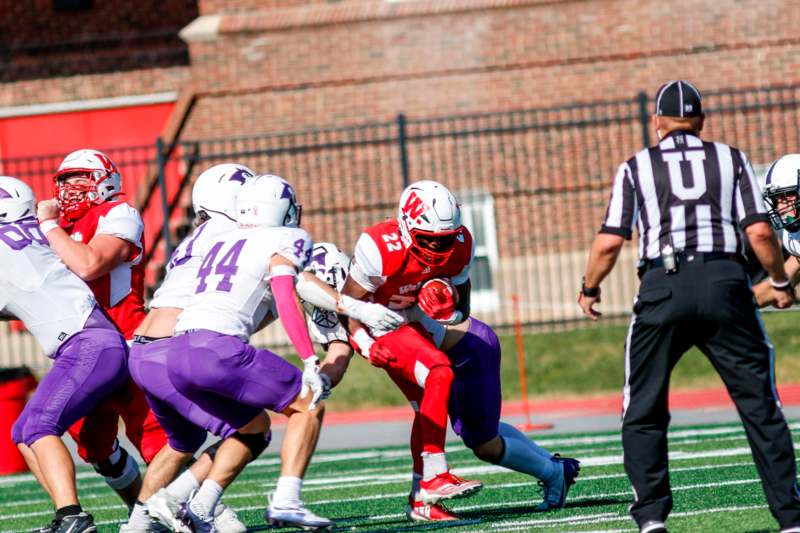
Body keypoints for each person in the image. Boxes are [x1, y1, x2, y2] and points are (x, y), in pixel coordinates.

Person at [578, 80, 800, 533]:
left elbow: (609, 242)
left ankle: (652, 518)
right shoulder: (731, 159)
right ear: (700, 121)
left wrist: (590, 287)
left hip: (662, 284)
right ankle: (791, 518)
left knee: (642, 408)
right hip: (724, 281)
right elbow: (759, 233)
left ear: (656, 122)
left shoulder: (636, 167)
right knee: (760, 406)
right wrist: (779, 282)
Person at [299, 244, 580, 521]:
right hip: (442, 355)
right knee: (466, 427)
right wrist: (318, 382)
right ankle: (551, 467)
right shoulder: (331, 307)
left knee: (483, 443)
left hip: (469, 350)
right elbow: (339, 353)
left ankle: (552, 472)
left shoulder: (369, 291)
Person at [121, 163, 259, 533]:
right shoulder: (239, 234)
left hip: (142, 350)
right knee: (249, 430)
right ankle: (184, 504)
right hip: (172, 351)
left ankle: (135, 527)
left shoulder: (197, 235)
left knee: (182, 441)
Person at [31, 149, 168, 511]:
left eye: (79, 177)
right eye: (63, 180)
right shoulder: (61, 229)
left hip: (126, 343)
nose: (69, 187)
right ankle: (141, 510)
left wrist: (47, 227)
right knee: (94, 447)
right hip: (82, 349)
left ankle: (210, 513)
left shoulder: (117, 213)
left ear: (105, 181)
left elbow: (90, 264)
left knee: (156, 441)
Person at [340, 180, 483, 508]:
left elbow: (464, 306)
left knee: (426, 405)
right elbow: (346, 305)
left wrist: (449, 307)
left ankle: (422, 501)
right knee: (439, 372)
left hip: (417, 319)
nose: (436, 249)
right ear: (406, 227)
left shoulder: (460, 244)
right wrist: (363, 343)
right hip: (381, 320)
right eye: (428, 240)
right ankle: (435, 475)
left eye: (444, 240)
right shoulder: (380, 247)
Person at [1, 176, 129, 533]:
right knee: (23, 432)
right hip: (93, 342)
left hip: (87, 344)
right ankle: (69, 515)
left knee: (40, 427)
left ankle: (73, 516)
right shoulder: (34, 236)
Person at [752, 154, 800, 307]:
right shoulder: (794, 238)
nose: (780, 208)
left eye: (787, 197)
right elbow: (780, 284)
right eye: (776, 200)